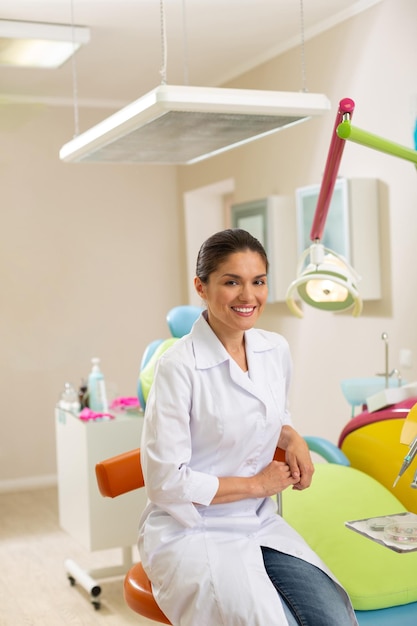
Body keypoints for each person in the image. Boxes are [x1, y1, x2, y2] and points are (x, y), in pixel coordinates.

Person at [138, 229, 358, 626]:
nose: (248, 296)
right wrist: (258, 485)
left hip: (259, 521)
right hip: (192, 529)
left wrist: (292, 437)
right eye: (231, 282)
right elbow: (165, 483)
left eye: (258, 282)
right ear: (201, 288)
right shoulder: (178, 368)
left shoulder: (275, 350)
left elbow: (271, 413)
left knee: (335, 618)